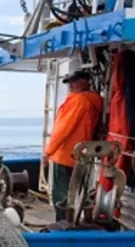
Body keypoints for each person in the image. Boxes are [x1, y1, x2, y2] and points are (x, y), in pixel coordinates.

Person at [43, 69, 103, 221]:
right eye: (69, 82)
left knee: (61, 195)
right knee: (77, 192)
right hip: (82, 155)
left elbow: (62, 129)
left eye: (74, 81)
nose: (70, 85)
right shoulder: (94, 100)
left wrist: (48, 151)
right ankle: (74, 220)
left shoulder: (78, 101)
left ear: (86, 81)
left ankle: (63, 224)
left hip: (65, 155)